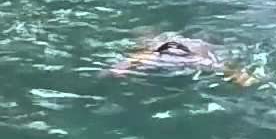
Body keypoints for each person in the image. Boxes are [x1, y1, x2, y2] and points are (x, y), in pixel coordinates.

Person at [107, 36, 259, 87]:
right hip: (183, 52)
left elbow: (122, 65)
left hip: (177, 51)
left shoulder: (154, 55)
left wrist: (118, 69)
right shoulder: (197, 58)